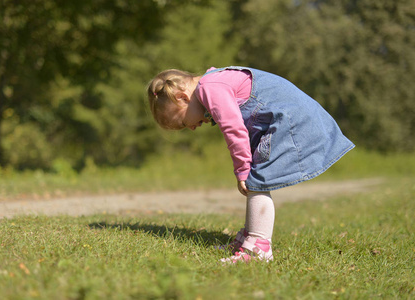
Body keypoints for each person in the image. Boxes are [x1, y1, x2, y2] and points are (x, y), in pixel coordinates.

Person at [147, 66, 355, 264]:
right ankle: (248, 239)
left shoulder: (211, 88)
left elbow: (234, 129)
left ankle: (258, 249)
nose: (191, 128)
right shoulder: (214, 81)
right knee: (256, 178)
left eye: (183, 123)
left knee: (257, 180)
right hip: (284, 117)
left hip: (289, 119)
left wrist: (242, 169)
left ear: (183, 97)